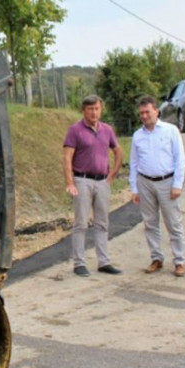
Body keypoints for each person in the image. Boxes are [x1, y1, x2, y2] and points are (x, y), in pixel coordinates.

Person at [62, 95, 124, 277]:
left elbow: (118, 150)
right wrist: (70, 182)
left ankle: (104, 262)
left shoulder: (107, 130)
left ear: (101, 109)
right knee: (81, 223)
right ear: (84, 110)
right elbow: (67, 157)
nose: (94, 112)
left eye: (97, 108)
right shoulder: (75, 130)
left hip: (102, 180)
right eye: (90, 109)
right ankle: (79, 263)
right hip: (82, 180)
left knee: (102, 223)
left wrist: (113, 173)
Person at [129, 95, 185, 277]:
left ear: (156, 111)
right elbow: (134, 162)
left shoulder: (170, 131)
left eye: (147, 112)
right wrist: (134, 189)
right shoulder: (138, 136)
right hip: (145, 182)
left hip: (167, 182)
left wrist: (177, 184)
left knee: (173, 223)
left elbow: (180, 159)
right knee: (150, 223)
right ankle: (156, 258)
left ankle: (179, 261)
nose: (144, 116)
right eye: (141, 113)